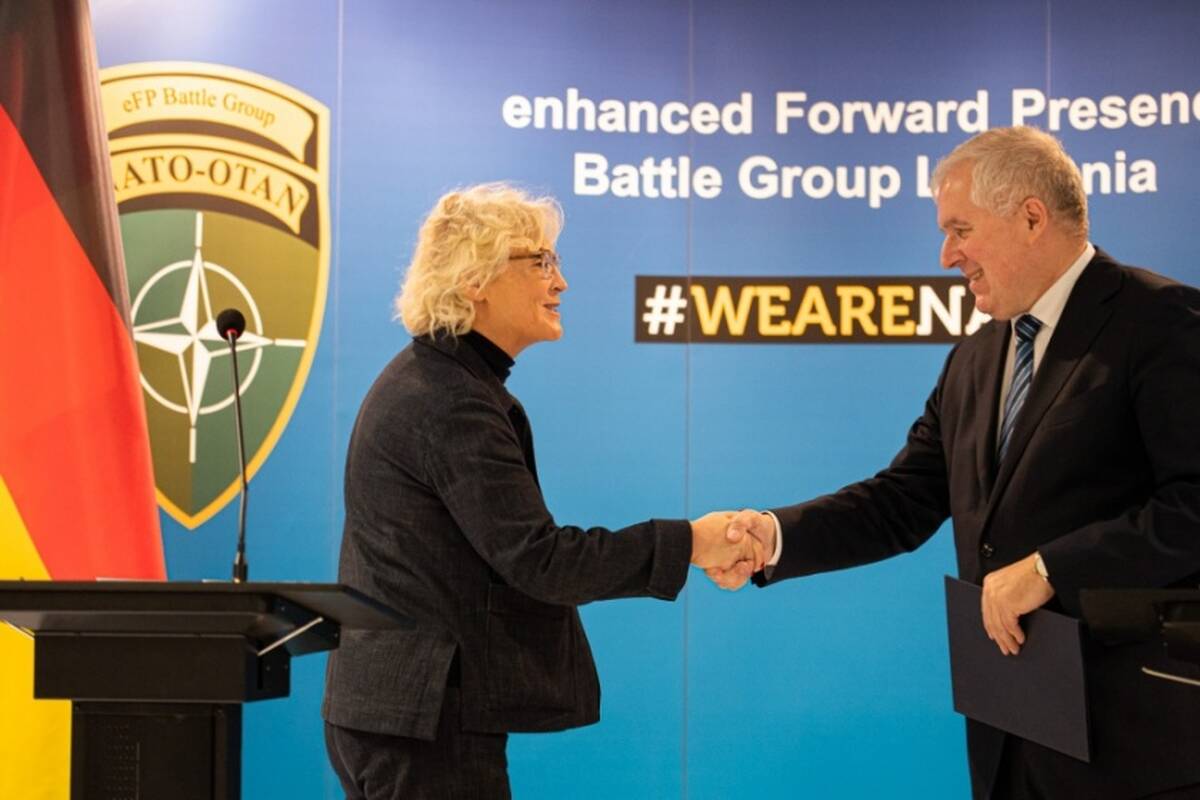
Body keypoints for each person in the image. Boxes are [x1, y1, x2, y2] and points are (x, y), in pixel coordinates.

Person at [709, 127, 1200, 799]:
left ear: (1032, 217)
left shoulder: (1162, 320)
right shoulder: (975, 357)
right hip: (1011, 736)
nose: (946, 256)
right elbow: (902, 500)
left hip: (1134, 746)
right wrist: (774, 536)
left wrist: (1052, 568)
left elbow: (1193, 504)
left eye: (960, 230)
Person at [321, 183, 758, 799]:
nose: (561, 282)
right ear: (474, 279)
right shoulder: (451, 401)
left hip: (402, 714)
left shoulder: (439, 382)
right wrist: (692, 541)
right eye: (541, 262)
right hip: (423, 725)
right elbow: (541, 561)